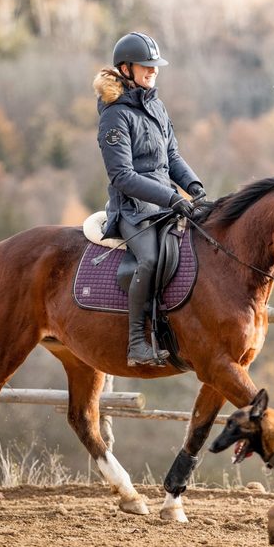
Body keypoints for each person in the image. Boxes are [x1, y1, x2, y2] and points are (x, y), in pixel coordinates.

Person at [93, 31, 205, 367]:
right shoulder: (114, 116)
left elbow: (171, 156)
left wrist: (194, 186)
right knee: (150, 260)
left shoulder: (156, 105)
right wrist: (172, 197)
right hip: (133, 209)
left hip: (166, 203)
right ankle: (137, 343)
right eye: (146, 66)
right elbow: (122, 177)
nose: (153, 71)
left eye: (155, 66)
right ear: (125, 69)